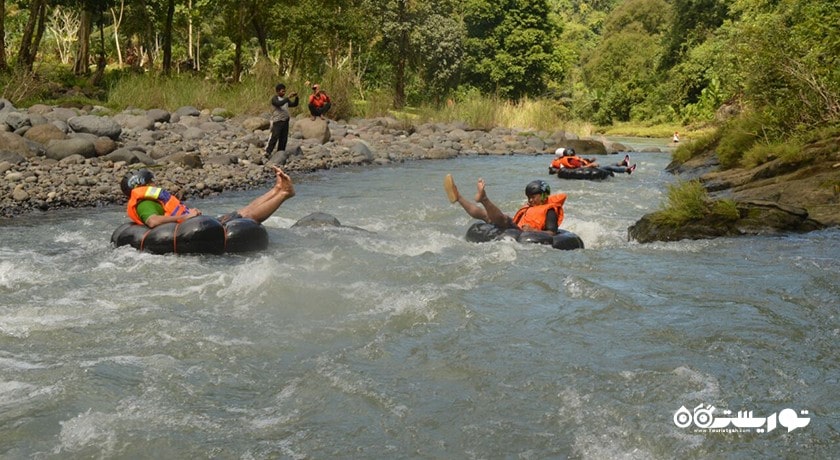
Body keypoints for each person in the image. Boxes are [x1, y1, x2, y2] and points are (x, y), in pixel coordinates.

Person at [120, 166, 295, 228]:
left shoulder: (150, 199)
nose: (154, 184)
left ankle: (277, 190)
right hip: (191, 226)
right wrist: (186, 217)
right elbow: (153, 221)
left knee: (243, 212)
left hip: (195, 224)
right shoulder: (144, 202)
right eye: (151, 182)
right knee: (248, 216)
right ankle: (284, 194)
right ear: (141, 185)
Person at [444, 175, 566, 234]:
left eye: (533, 197)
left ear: (544, 195)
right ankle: (459, 197)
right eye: (529, 197)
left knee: (505, 219)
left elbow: (552, 233)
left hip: (525, 233)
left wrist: (533, 230)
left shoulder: (550, 211)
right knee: (486, 215)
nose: (530, 200)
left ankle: (484, 198)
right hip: (518, 229)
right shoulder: (532, 207)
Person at [265, 83, 299, 157]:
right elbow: (279, 103)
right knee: (274, 136)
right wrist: (288, 98)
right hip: (278, 121)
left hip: (285, 121)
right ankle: (268, 151)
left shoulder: (285, 100)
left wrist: (296, 97)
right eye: (282, 91)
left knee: (284, 138)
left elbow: (294, 104)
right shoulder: (275, 98)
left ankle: (280, 152)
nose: (284, 92)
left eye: (284, 91)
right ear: (278, 91)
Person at [550, 148, 635, 174]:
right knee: (609, 167)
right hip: (587, 170)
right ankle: (627, 170)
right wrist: (591, 165)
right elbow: (579, 167)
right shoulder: (570, 160)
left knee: (607, 165)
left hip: (588, 167)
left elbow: (581, 163)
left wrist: (590, 161)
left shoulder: (565, 160)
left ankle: (623, 163)